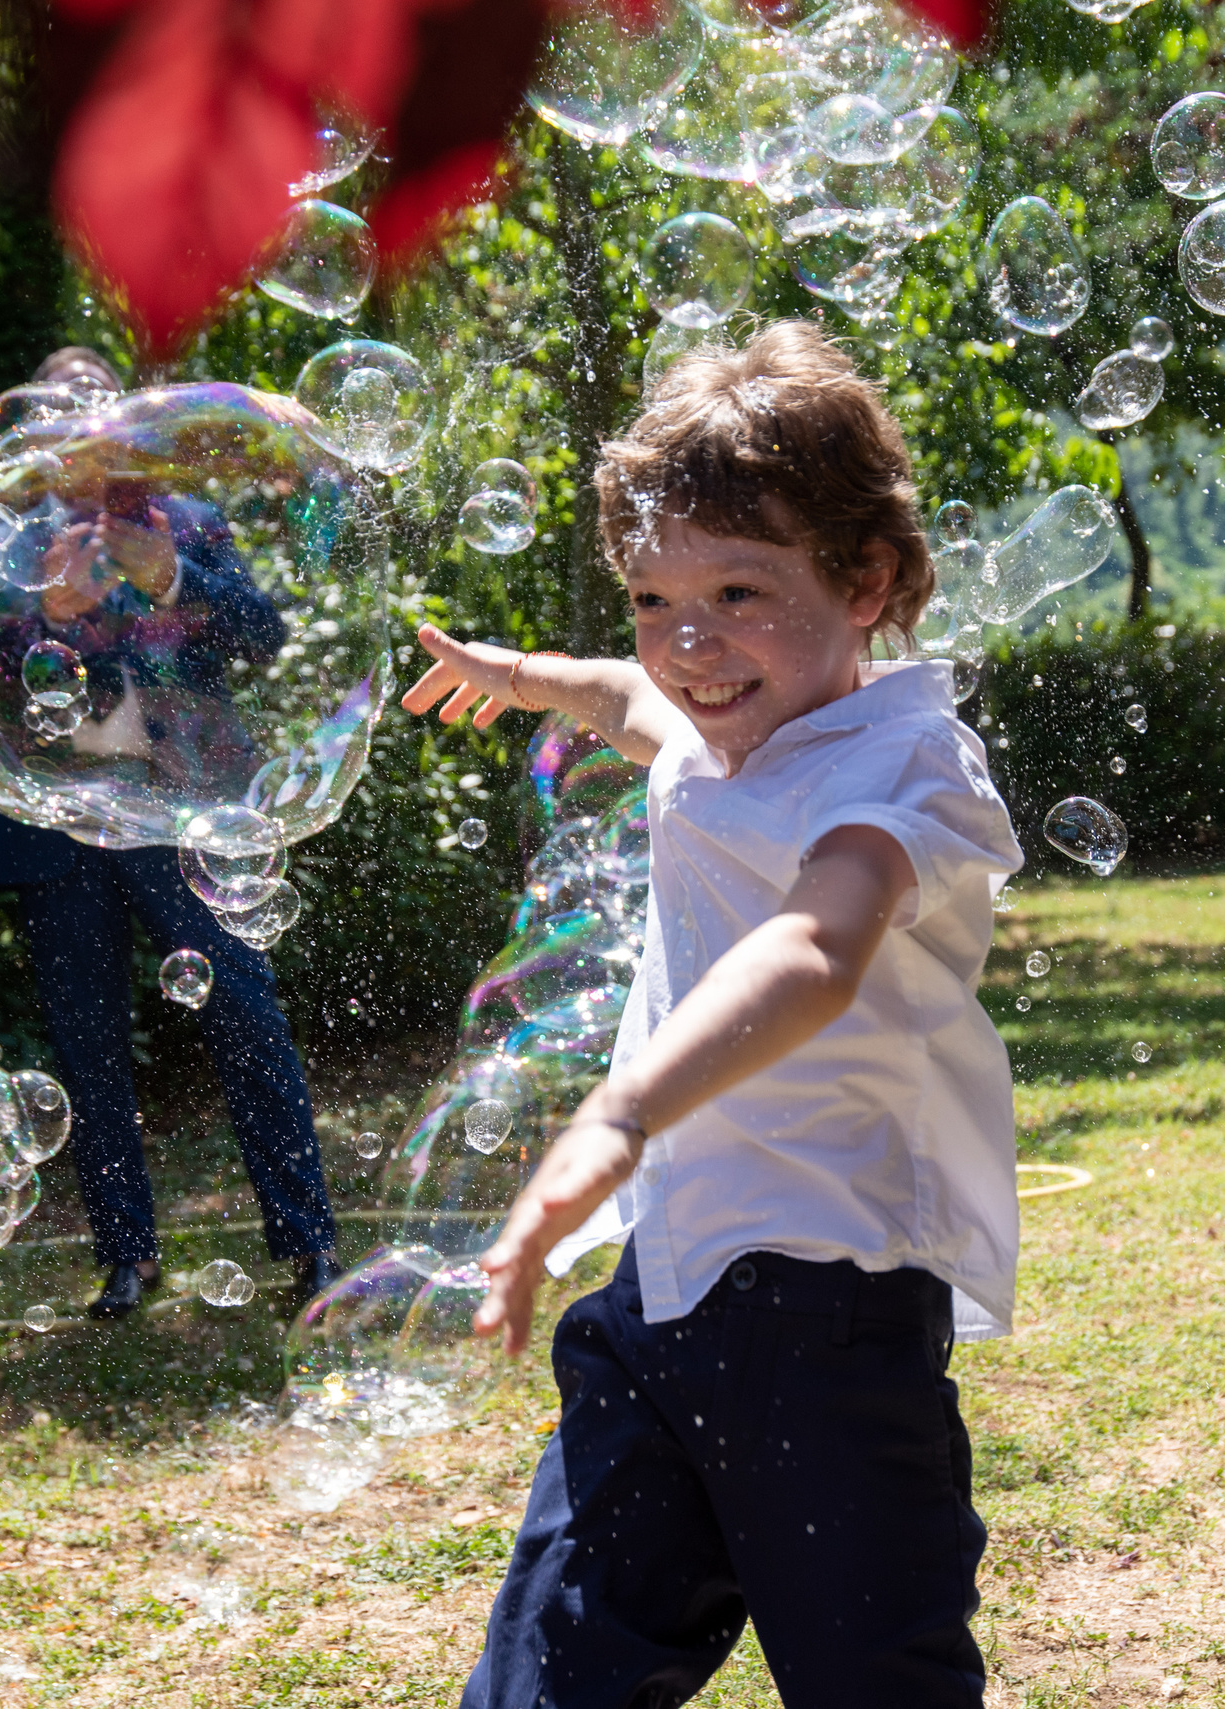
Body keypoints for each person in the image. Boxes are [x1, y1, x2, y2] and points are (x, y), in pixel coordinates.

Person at [401, 321, 1020, 1708]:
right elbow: (626, 697)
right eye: (651, 597)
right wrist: (516, 676)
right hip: (662, 1290)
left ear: (865, 580)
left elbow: (819, 941)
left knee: (877, 1679)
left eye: (741, 591)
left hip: (827, 1311)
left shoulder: (903, 758)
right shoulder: (709, 714)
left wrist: (621, 1114)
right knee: (554, 1668)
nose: (690, 645)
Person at [0, 345, 339, 1318]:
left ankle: (306, 1241)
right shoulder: (4, 547)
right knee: (88, 1047)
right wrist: (38, 614)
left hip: (185, 805)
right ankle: (127, 1256)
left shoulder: (187, 522)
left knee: (247, 1016)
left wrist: (174, 576)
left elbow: (260, 636)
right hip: (57, 817)